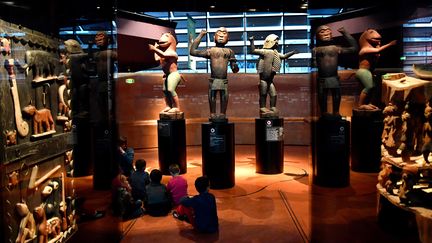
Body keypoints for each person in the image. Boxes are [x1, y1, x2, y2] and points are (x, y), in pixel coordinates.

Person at [190, 27, 239, 120]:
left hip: (224, 80)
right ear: (214, 38)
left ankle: (222, 113)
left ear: (228, 39)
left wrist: (235, 67)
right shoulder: (210, 51)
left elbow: (234, 68)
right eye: (219, 33)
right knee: (212, 96)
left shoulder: (230, 51)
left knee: (224, 97)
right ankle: (212, 113)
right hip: (213, 80)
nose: (221, 35)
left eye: (224, 34)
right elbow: (192, 51)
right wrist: (201, 35)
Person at [313, 25, 357, 116]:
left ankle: (336, 112)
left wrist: (345, 33)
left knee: (336, 94)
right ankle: (324, 112)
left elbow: (354, 48)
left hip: (334, 77)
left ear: (331, 33)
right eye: (322, 31)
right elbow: (313, 63)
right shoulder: (315, 50)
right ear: (317, 36)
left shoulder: (336, 48)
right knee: (323, 96)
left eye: (327, 30)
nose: (325, 33)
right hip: (322, 78)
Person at [249, 34, 298, 117]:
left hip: (270, 80)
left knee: (274, 94)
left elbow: (284, 56)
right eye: (276, 41)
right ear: (270, 42)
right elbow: (253, 50)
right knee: (263, 94)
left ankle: (272, 107)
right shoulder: (264, 51)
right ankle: (263, 107)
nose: (277, 43)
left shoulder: (276, 53)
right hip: (263, 79)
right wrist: (251, 41)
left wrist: (292, 52)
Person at [356, 28, 397, 110]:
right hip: (363, 71)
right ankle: (360, 105)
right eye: (371, 32)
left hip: (369, 71)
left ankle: (368, 103)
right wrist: (390, 44)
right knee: (369, 86)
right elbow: (378, 50)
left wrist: (378, 44)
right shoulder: (364, 49)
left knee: (373, 87)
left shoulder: (371, 50)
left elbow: (377, 53)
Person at [149, 32, 181, 113]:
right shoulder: (164, 53)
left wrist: (155, 49)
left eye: (166, 36)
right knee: (165, 91)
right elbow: (157, 58)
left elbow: (163, 55)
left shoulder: (173, 53)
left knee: (170, 89)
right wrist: (155, 49)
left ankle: (177, 107)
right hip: (167, 75)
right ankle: (168, 106)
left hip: (173, 74)